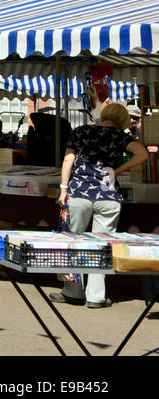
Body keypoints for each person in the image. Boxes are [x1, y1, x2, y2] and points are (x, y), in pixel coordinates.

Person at [53, 102, 149, 309]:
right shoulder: (122, 137)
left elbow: (68, 160)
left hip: (79, 192)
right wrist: (120, 170)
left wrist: (63, 189)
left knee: (74, 242)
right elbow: (143, 155)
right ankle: (96, 297)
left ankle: (73, 292)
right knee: (101, 246)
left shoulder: (80, 131)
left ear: (104, 114)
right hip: (108, 195)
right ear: (122, 119)